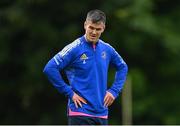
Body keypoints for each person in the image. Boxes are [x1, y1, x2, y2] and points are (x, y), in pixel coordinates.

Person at [43, 9, 128, 125]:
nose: (94, 32)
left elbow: (123, 67)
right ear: (85, 25)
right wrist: (69, 93)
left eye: (98, 29)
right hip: (80, 112)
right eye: (91, 28)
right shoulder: (74, 48)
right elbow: (50, 68)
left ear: (103, 28)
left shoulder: (107, 49)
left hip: (101, 113)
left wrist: (114, 91)